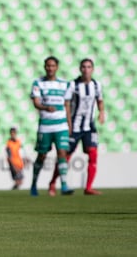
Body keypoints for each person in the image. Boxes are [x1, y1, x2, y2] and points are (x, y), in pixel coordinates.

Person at [48, 58, 105, 196]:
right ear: (80, 69)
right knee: (65, 156)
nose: (86, 69)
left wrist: (101, 112)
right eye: (84, 67)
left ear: (93, 69)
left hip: (89, 126)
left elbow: (100, 100)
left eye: (89, 67)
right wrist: (68, 124)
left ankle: (88, 187)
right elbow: (66, 104)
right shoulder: (73, 85)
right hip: (74, 126)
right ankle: (53, 183)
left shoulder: (97, 85)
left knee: (93, 154)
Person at [30, 56, 74, 196]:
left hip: (61, 125)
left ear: (57, 67)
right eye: (48, 66)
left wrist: (69, 124)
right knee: (42, 155)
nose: (50, 68)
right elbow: (36, 102)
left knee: (62, 153)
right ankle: (34, 184)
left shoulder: (64, 84)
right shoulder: (38, 83)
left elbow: (67, 106)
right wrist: (45, 107)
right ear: (45, 67)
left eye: (53, 66)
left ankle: (64, 185)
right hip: (46, 125)